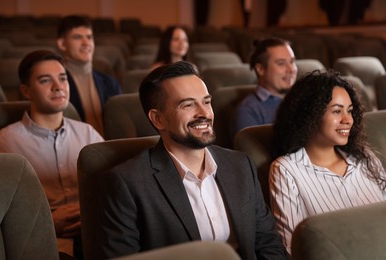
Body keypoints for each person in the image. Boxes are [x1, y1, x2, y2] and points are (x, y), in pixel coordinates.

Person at [95, 61, 288, 259]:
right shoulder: (126, 184)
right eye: (188, 105)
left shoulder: (240, 164)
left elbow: (268, 244)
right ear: (158, 119)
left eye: (206, 102)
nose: (204, 113)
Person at [0, 50, 104, 258]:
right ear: (26, 91)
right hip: (43, 242)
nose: (58, 87)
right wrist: (48, 221)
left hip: (98, 233)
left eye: (63, 78)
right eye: (45, 80)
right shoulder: (3, 142)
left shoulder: (87, 132)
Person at [269, 70, 386, 255]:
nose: (348, 120)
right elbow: (291, 248)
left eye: (349, 111)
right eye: (337, 111)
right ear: (310, 115)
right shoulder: (286, 170)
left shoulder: (365, 157)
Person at [57, 15, 122, 135]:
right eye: (77, 37)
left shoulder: (110, 82)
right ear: (62, 44)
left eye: (89, 37)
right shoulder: (56, 85)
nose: (86, 43)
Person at [234, 37, 297, 136]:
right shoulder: (248, 111)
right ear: (260, 69)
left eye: (292, 62)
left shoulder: (302, 97)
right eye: (281, 63)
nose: (291, 69)